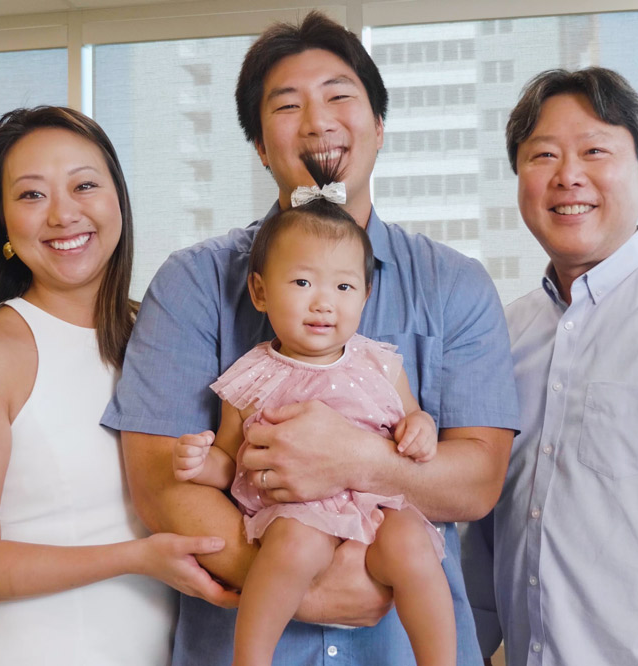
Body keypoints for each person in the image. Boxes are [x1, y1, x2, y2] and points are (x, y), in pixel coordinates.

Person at [104, 11, 519, 666]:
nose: (318, 120)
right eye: (288, 105)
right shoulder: (192, 283)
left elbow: (476, 481)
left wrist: (362, 459)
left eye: (339, 96)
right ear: (261, 147)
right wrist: (306, 587)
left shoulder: (455, 285)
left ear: (378, 128)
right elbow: (161, 486)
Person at [0, 106, 238, 666]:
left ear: (117, 198)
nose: (64, 214)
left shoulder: (164, 335)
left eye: (85, 185)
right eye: (31, 195)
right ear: (1, 221)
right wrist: (136, 558)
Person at [460, 67, 638, 666]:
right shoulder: (499, 335)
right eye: (543, 155)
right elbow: (477, 537)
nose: (568, 176)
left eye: (594, 151)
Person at [173, 156, 455, 665]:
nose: (324, 303)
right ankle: (251, 658)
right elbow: (232, 457)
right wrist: (202, 463)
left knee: (414, 546)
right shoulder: (253, 376)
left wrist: (422, 428)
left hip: (376, 507)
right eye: (302, 284)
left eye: (343, 287)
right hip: (298, 511)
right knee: (294, 547)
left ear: (365, 296)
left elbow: (411, 419)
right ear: (260, 291)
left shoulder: (381, 364)